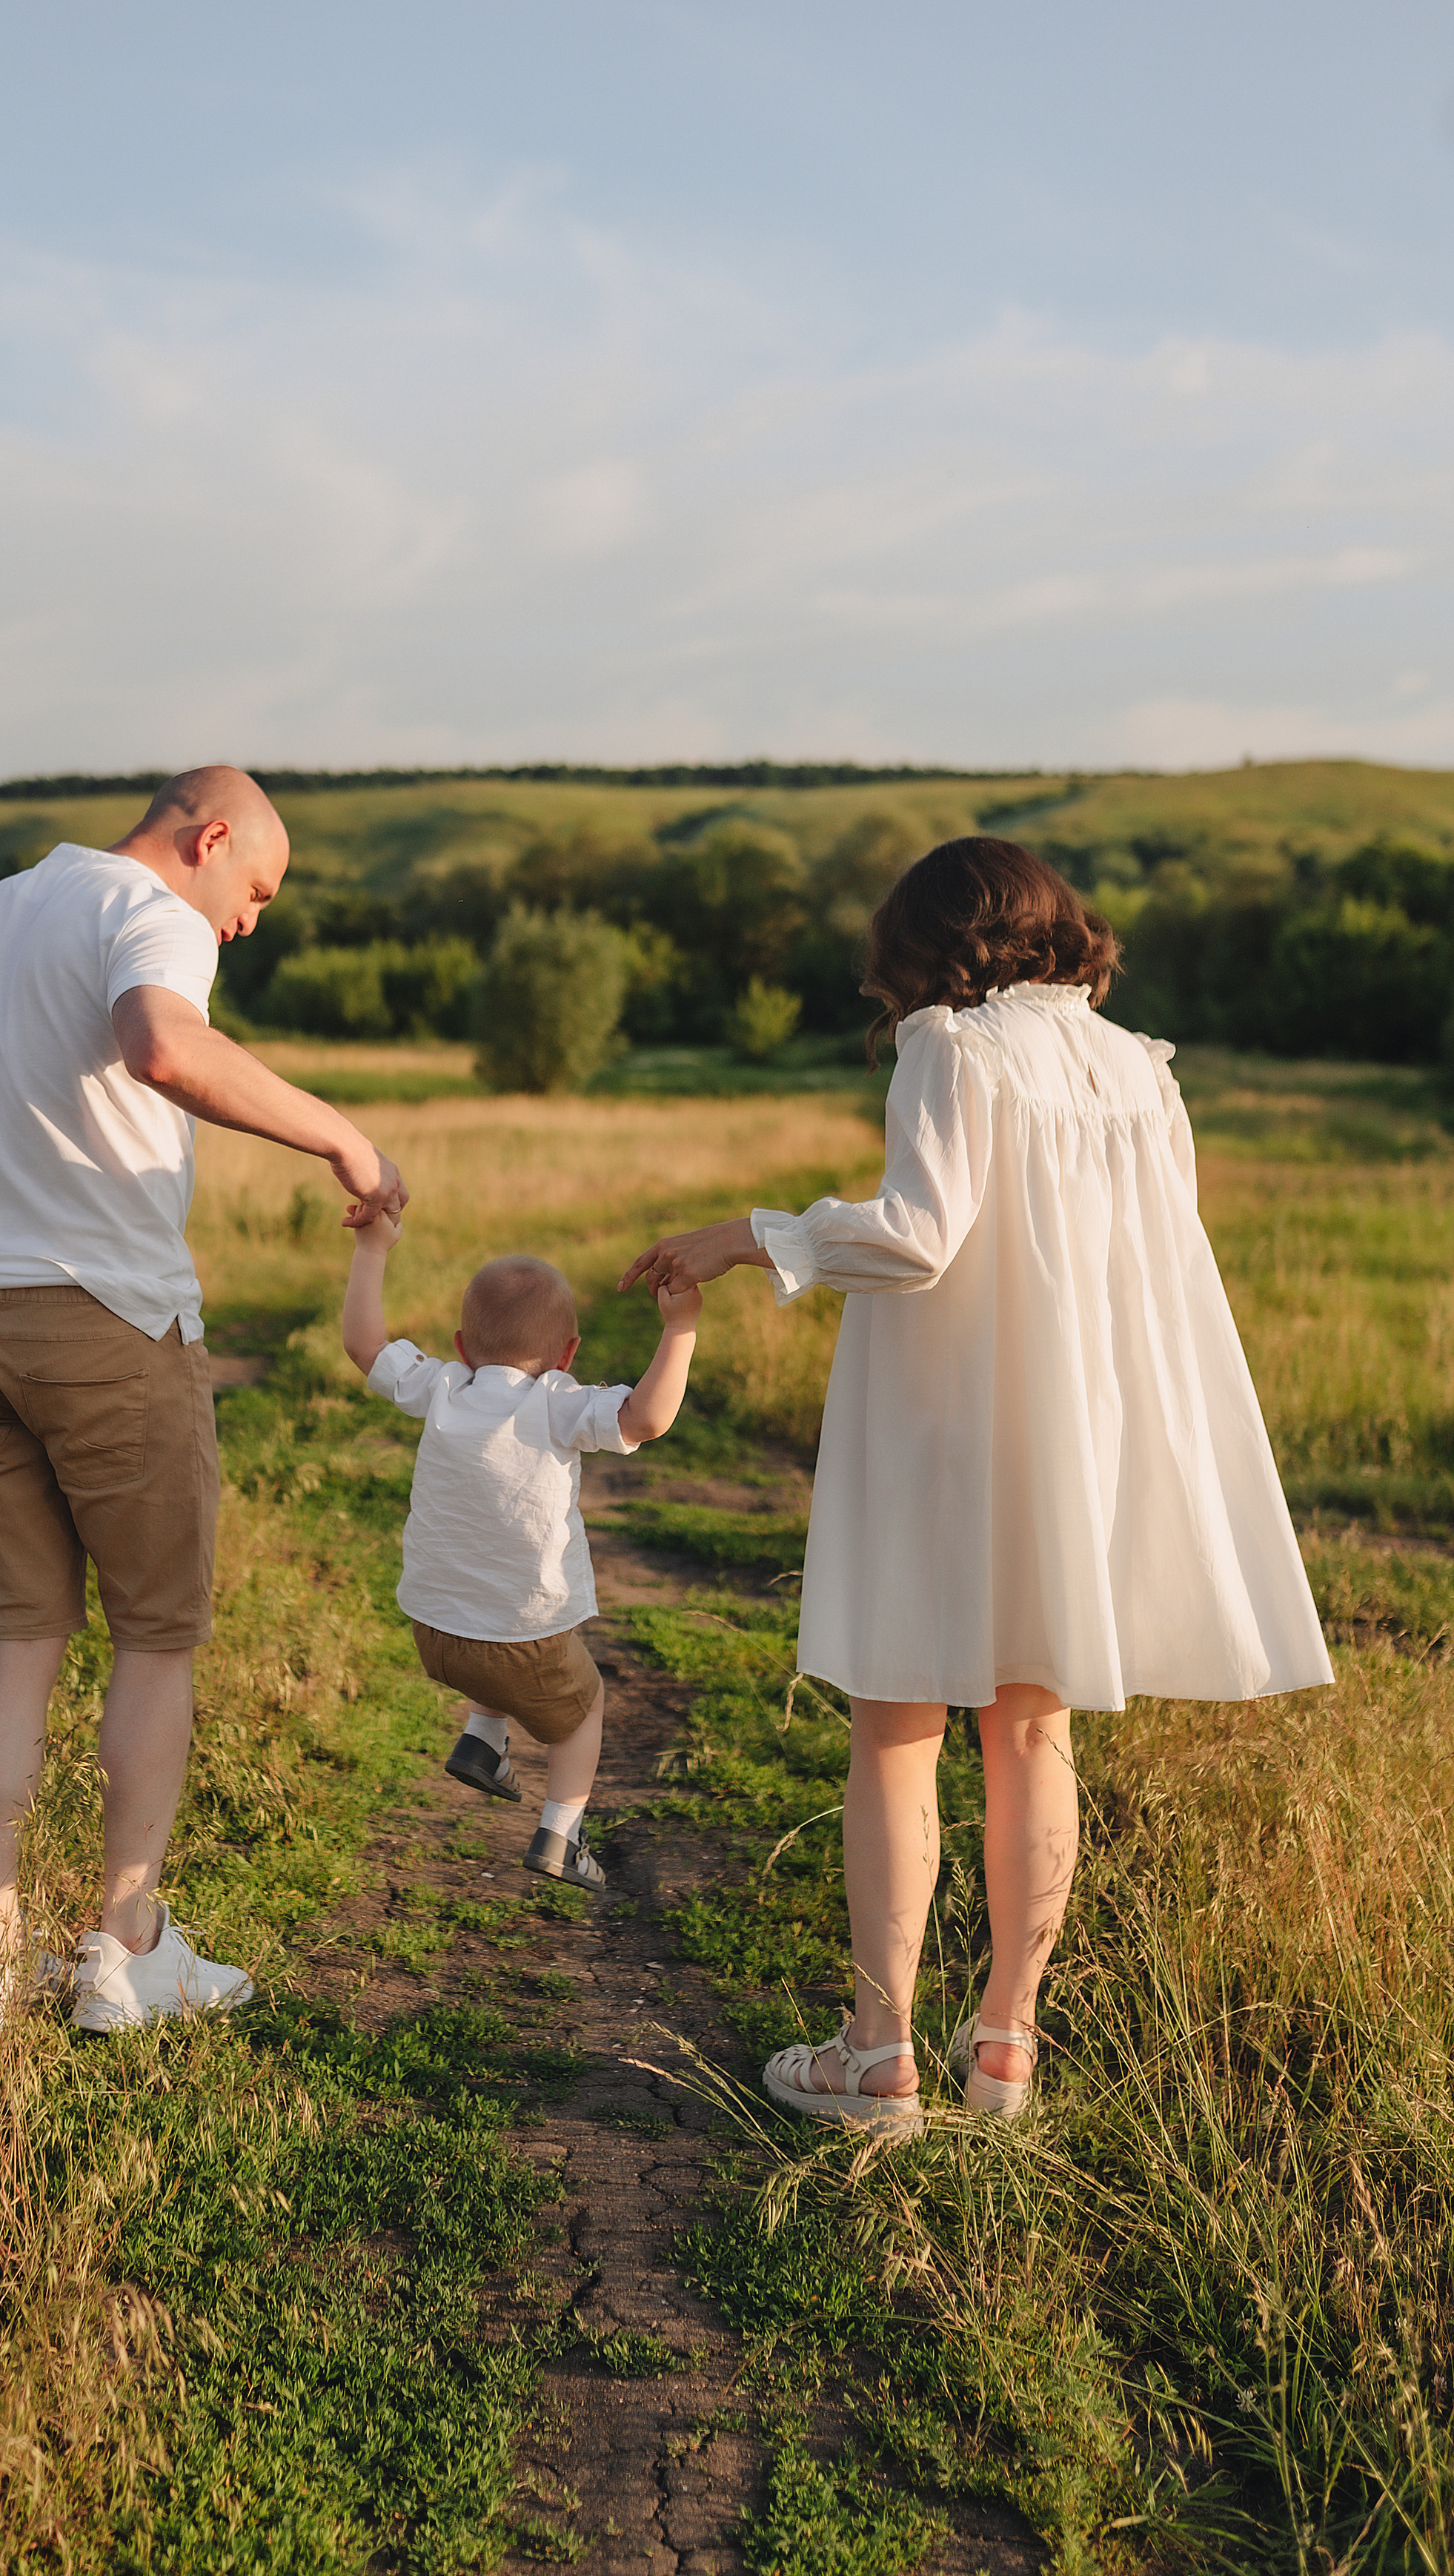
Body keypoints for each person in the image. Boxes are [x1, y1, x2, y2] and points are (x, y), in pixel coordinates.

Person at [620, 835, 1332, 2132]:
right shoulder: (1138, 1067)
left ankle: (879, 2050)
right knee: (1030, 1722)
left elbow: (918, 1233)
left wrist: (752, 1236)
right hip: (1079, 1426)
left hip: (948, 1421)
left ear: (930, 947)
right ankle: (1006, 2039)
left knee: (898, 1723)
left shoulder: (952, 1043)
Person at [0, 764, 408, 2034]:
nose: (249, 922)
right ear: (209, 839)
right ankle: (125, 1948)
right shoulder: (146, 914)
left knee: (19, 1633)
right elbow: (162, 1045)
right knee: (155, 1632)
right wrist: (342, 1137)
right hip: (107, 1318)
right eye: (254, 890)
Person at [341, 1216, 701, 1891]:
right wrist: (679, 1330)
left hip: (432, 1630)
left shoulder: (441, 1385)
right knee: (582, 1708)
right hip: (520, 1640)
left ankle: (482, 1737)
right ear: (568, 1354)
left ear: (461, 1346)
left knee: (487, 1605)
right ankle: (561, 1835)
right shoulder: (558, 1403)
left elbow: (363, 1343)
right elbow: (647, 1419)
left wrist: (371, 1249)